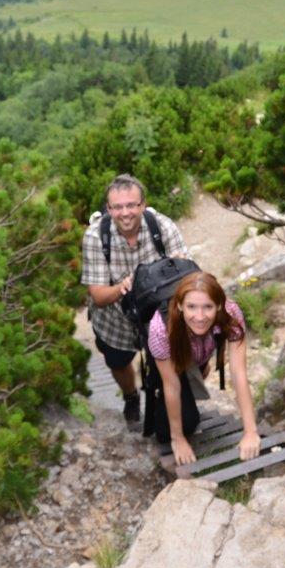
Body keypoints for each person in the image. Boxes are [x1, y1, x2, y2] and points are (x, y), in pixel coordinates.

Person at [81, 174, 187, 427]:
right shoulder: (96, 237)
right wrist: (123, 287)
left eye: (131, 205)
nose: (125, 213)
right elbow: (97, 294)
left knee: (173, 357)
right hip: (114, 320)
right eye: (117, 207)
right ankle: (130, 397)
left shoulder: (162, 226)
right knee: (118, 362)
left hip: (157, 316)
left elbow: (186, 273)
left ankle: (170, 405)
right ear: (108, 209)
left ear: (142, 204)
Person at [148, 271, 260, 466]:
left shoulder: (231, 314)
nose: (199, 317)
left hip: (197, 352)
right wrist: (178, 438)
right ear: (180, 306)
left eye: (207, 307)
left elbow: (239, 373)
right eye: (191, 307)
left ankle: (193, 375)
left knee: (190, 394)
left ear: (218, 306)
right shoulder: (160, 328)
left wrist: (251, 432)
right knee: (180, 425)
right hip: (169, 351)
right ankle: (156, 402)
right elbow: (172, 385)